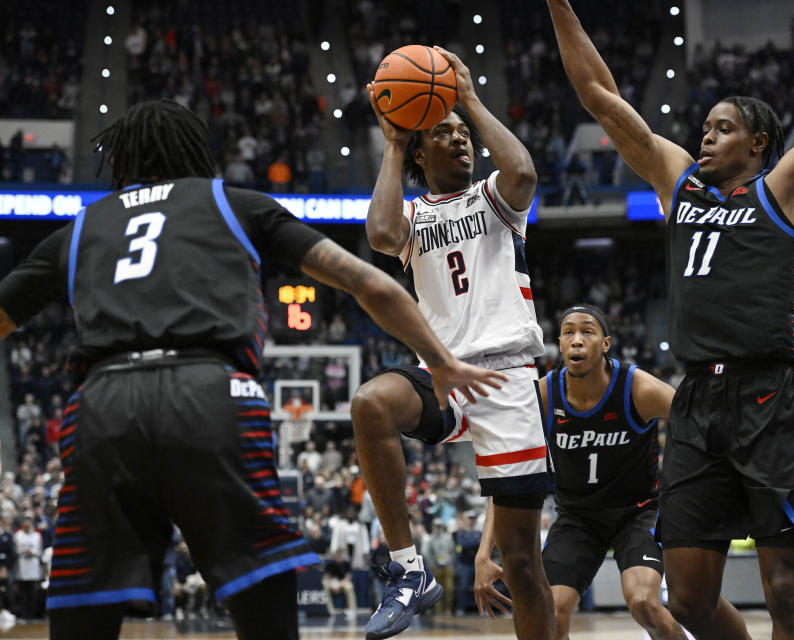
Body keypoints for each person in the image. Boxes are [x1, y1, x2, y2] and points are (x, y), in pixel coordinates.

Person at [0, 99, 505, 640]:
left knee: (84, 601)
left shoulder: (81, 228)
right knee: (260, 588)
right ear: (196, 153)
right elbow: (373, 285)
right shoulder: (230, 203)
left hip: (102, 405)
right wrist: (443, 360)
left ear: (120, 164)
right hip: (208, 395)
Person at [544, 0, 794, 637]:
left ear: (758, 142)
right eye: (704, 128)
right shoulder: (681, 184)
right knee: (689, 599)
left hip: (770, 397)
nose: (705, 137)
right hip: (698, 400)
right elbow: (598, 94)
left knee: (785, 592)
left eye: (722, 129)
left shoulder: (789, 186)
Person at [353, 46, 554, 640]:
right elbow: (381, 235)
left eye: (463, 133)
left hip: (509, 376)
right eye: (443, 133)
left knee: (520, 564)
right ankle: (409, 569)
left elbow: (523, 173)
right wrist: (392, 142)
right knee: (370, 402)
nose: (461, 139)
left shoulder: (496, 198)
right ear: (421, 151)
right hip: (443, 373)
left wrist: (467, 99)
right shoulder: (413, 216)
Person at [475, 305, 686, 640]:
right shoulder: (543, 395)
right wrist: (484, 553)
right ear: (558, 344)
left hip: (638, 513)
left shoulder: (637, 388)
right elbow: (507, 474)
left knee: (644, 603)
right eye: (568, 332)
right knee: (551, 612)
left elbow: (697, 424)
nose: (577, 340)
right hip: (577, 518)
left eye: (587, 331)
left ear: (605, 343)